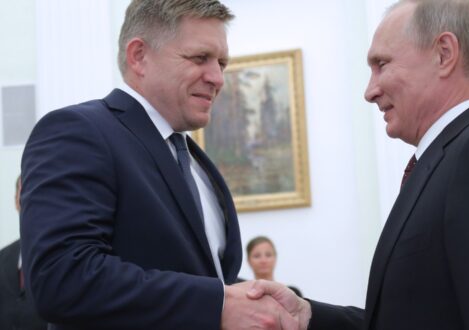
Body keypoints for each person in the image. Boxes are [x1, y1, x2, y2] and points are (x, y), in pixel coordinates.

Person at [248, 0, 469, 329]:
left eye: (382, 64)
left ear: (444, 54)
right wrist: (308, 315)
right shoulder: (447, 159)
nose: (370, 91)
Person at [19, 1, 297, 329]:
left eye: (222, 62)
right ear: (139, 56)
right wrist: (218, 304)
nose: (218, 78)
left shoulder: (193, 159)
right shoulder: (79, 131)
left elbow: (201, 277)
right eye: (200, 58)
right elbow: (62, 278)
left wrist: (282, 306)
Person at [0, 176, 47, 329]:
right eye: (24, 195)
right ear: (16, 200)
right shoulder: (2, 258)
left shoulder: (65, 258)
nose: (29, 203)